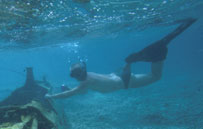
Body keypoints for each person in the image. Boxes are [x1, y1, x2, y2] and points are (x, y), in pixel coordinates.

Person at [46, 18, 197, 99]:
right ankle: (132, 61)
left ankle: (159, 53)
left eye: (73, 75)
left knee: (156, 76)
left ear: (77, 75)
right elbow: (80, 90)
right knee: (145, 72)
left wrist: (51, 96)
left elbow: (69, 94)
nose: (74, 77)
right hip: (119, 76)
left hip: (125, 82)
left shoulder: (85, 83)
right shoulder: (88, 78)